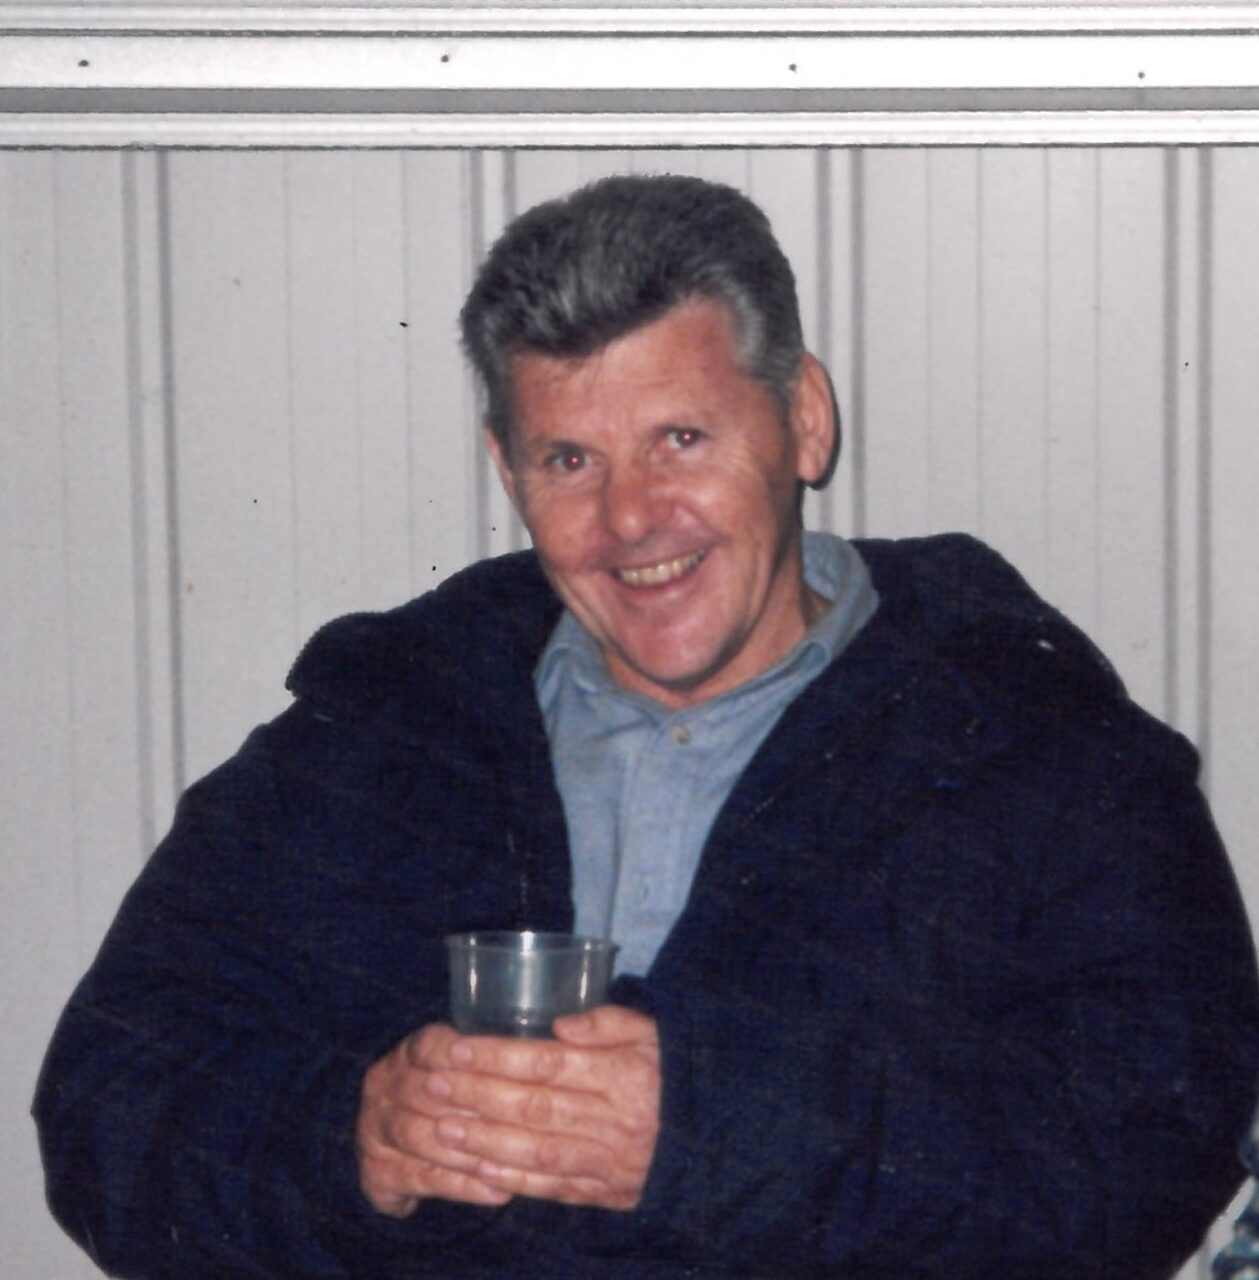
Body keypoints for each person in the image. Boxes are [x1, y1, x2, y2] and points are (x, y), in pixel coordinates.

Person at [34, 173, 1259, 1280]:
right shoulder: (384, 728)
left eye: (680, 438)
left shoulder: (1032, 741)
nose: (630, 517)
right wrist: (346, 1142)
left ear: (803, 419)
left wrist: (712, 1133)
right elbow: (109, 1092)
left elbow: (1153, 1145)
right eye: (570, 459)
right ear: (508, 473)